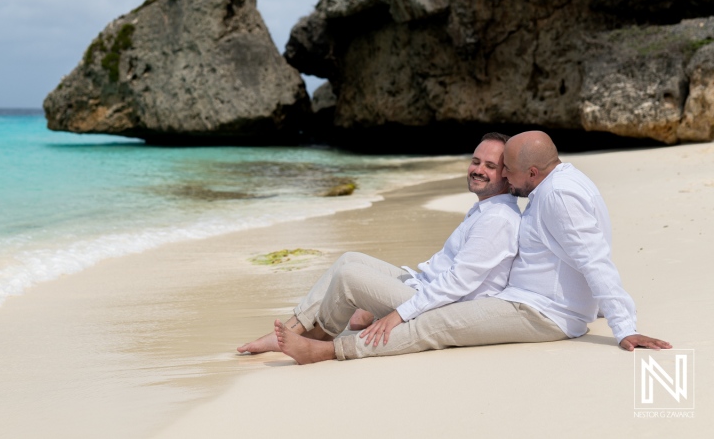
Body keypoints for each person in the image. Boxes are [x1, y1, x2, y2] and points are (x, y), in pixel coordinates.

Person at [274, 130, 671, 364]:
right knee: (421, 311)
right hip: (526, 300)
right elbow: (574, 253)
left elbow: (594, 258)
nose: (507, 183)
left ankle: (329, 352)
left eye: (508, 172)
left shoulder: (557, 197)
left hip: (539, 311)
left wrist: (625, 328)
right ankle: (319, 333)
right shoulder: (561, 183)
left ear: (531, 171)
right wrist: (598, 307)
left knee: (434, 325)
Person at [237, 132, 521, 355]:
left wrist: (399, 314)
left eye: (490, 166)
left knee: (350, 278)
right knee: (350, 259)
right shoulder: (487, 208)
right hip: (422, 284)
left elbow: (458, 285)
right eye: (476, 161)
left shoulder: (497, 219)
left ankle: (315, 338)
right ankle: (291, 328)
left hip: (440, 306)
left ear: (507, 175)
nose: (478, 169)